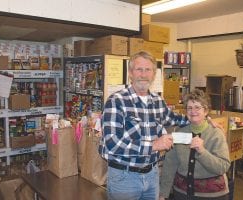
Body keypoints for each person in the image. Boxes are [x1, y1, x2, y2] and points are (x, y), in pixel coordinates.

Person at [99, 51, 190, 200]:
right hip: (124, 178)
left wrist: (202, 119)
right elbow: (112, 143)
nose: (143, 74)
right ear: (130, 73)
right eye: (139, 69)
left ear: (154, 74)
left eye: (148, 70)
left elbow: (174, 118)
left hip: (152, 175)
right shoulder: (117, 101)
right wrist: (153, 145)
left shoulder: (157, 101)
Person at [159, 89, 231, 200]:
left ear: (206, 111)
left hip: (212, 195)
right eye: (190, 108)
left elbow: (223, 167)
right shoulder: (179, 132)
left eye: (198, 107)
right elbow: (170, 165)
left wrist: (202, 151)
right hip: (182, 194)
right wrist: (163, 193)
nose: (193, 111)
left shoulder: (216, 134)